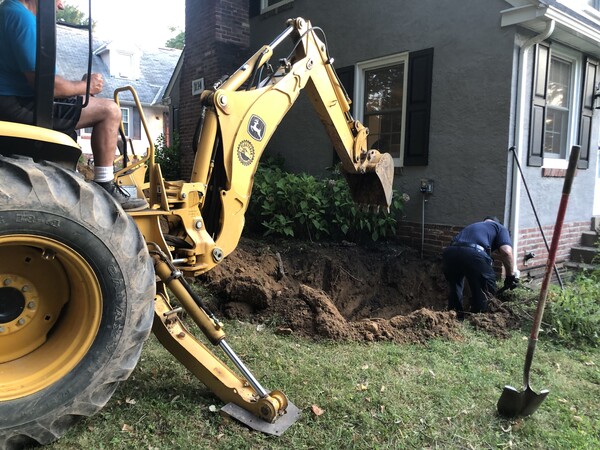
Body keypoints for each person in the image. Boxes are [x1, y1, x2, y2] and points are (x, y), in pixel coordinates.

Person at [0, 0, 148, 211]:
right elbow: (47, 86)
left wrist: (79, 87)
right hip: (18, 104)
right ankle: (106, 185)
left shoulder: (9, 11)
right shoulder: (20, 17)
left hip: (12, 101)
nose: (60, 6)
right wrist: (85, 85)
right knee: (109, 110)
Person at [442, 216, 517, 318]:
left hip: (450, 252)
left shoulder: (474, 226)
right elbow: (506, 252)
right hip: (473, 253)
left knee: (455, 287)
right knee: (486, 290)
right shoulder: (500, 228)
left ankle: (455, 317)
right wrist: (510, 276)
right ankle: (480, 320)